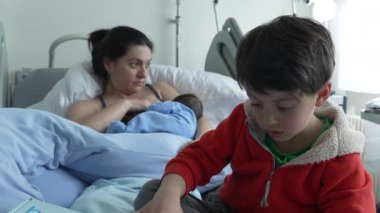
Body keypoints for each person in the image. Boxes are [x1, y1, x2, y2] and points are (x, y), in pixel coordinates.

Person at [133, 15, 376, 212]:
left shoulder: (340, 158)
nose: (267, 119)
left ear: (322, 95)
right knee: (154, 192)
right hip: (226, 207)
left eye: (284, 107)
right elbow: (199, 156)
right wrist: (170, 192)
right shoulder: (245, 120)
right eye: (257, 102)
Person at [65, 26, 212, 138]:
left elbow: (198, 117)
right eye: (134, 64)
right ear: (109, 64)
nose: (144, 74)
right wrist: (126, 104)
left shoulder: (160, 90)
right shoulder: (88, 107)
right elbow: (75, 136)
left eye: (147, 64)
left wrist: (198, 146)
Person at [106, 93, 204, 139]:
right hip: (179, 138)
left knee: (145, 121)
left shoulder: (177, 106)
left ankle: (119, 130)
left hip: (164, 127)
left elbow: (159, 108)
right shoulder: (192, 124)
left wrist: (150, 107)